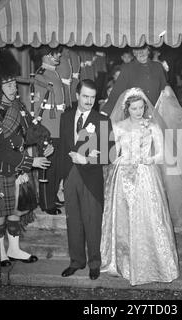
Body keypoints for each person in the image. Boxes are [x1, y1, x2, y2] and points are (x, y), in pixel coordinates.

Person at [0, 50, 53, 267]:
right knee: (0, 214)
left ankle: (15, 249)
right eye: (7, 84)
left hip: (19, 169)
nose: (13, 87)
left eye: (13, 83)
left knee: (16, 211)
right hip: (2, 167)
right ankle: (0, 253)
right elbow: (0, 150)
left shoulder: (18, 105)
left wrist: (46, 144)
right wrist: (31, 162)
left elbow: (32, 130)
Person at [100, 87, 179, 286]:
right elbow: (112, 154)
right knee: (124, 218)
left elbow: (162, 154)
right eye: (134, 108)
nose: (138, 112)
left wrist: (149, 159)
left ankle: (153, 264)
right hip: (124, 176)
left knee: (149, 217)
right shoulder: (118, 127)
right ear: (127, 108)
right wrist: (121, 159)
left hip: (146, 174)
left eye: (141, 107)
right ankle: (123, 264)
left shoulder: (152, 126)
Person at [59, 79, 115, 281]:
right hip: (69, 176)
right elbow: (61, 151)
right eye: (85, 96)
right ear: (77, 95)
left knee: (92, 222)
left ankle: (94, 263)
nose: (89, 101)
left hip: (91, 179)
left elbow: (109, 155)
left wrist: (86, 158)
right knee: (73, 221)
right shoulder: (65, 118)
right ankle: (76, 262)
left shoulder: (102, 120)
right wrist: (59, 181)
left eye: (92, 97)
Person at [33, 47, 66, 215]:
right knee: (48, 168)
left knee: (57, 166)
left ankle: (52, 197)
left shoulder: (53, 72)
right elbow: (38, 106)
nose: (59, 55)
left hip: (57, 127)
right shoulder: (41, 75)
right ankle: (46, 203)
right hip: (47, 129)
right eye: (55, 53)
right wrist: (41, 133)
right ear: (45, 56)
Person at [100, 44, 170, 117]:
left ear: (149, 51)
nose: (141, 53)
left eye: (144, 49)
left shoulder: (158, 67)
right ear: (133, 53)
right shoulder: (127, 69)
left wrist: (167, 90)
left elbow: (164, 88)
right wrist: (105, 111)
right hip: (136, 116)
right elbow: (117, 92)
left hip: (156, 113)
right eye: (137, 50)